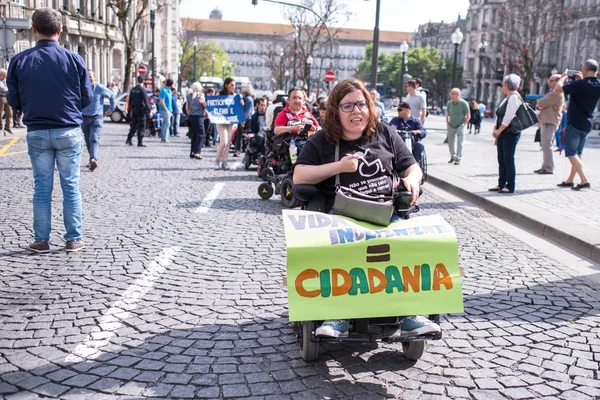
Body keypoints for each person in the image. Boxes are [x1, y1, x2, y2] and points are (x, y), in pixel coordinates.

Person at [293, 78, 439, 338]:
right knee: (343, 247)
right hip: (339, 215)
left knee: (410, 245)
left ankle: (408, 315)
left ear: (369, 107)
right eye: (347, 106)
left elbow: (412, 165)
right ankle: (337, 315)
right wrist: (338, 167)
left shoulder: (384, 132)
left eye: (361, 104)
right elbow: (300, 176)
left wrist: (412, 180)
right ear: (336, 110)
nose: (356, 111)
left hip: (385, 212)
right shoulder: (322, 140)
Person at [7, 7, 92, 253]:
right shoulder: (75, 59)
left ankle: (42, 240)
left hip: (37, 130)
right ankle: (73, 238)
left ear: (34, 30)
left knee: (42, 188)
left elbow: (14, 100)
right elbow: (86, 97)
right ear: (60, 29)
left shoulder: (19, 60)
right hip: (67, 129)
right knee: (71, 186)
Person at [554, 59, 600, 190]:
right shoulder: (597, 84)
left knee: (571, 153)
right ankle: (570, 180)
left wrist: (562, 77)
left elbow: (558, 89)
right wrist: (579, 80)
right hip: (587, 123)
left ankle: (584, 180)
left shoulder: (580, 84)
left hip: (575, 122)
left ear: (584, 69)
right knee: (578, 153)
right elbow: (584, 90)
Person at [489, 74, 523, 194]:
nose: (502, 86)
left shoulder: (514, 97)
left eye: (503, 84)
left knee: (508, 158)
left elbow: (509, 116)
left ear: (507, 85)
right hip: (503, 132)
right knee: (501, 158)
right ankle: (501, 183)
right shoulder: (507, 97)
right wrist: (495, 128)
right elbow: (499, 114)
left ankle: (510, 185)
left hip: (510, 133)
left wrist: (499, 130)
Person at [81, 69, 115, 171]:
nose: (90, 78)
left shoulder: (99, 88)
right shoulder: (81, 87)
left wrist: (111, 109)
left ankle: (93, 159)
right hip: (84, 117)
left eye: (91, 76)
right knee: (87, 140)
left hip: (97, 117)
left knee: (94, 138)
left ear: (94, 77)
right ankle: (91, 160)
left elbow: (112, 96)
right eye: (88, 76)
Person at [535, 74, 564, 174]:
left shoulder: (556, 93)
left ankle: (548, 167)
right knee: (544, 144)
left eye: (551, 80)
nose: (549, 82)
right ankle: (545, 165)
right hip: (547, 120)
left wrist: (540, 104)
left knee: (547, 145)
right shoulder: (553, 92)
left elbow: (541, 103)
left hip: (550, 121)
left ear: (557, 81)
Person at [214, 77, 237, 170]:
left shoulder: (235, 96)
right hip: (221, 121)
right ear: (226, 85)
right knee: (224, 142)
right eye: (231, 85)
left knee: (228, 143)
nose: (233, 87)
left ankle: (225, 161)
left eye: (234, 85)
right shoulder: (219, 94)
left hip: (231, 121)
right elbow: (214, 105)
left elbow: (236, 109)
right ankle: (217, 160)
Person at [445, 88, 470, 165]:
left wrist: (464, 124)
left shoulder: (464, 103)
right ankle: (453, 156)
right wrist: (447, 120)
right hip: (451, 125)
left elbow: (468, 115)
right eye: (451, 94)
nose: (451, 96)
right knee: (450, 141)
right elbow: (448, 113)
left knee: (460, 142)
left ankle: (458, 158)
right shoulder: (449, 103)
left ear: (458, 95)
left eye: (453, 94)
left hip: (460, 125)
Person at [126, 75, 151, 147]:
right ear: (143, 81)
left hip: (134, 109)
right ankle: (140, 141)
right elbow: (146, 100)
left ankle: (129, 138)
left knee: (134, 125)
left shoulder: (133, 89)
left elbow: (130, 100)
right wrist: (148, 110)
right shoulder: (142, 90)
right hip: (141, 110)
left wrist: (130, 109)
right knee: (142, 125)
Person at [186, 81, 206, 160]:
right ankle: (197, 152)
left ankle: (192, 152)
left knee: (194, 135)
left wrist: (189, 114)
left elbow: (187, 106)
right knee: (201, 134)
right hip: (198, 117)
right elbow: (205, 105)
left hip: (191, 116)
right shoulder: (200, 97)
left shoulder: (189, 96)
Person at [158, 78, 173, 143]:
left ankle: (165, 137)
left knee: (167, 124)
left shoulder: (169, 90)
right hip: (164, 110)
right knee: (166, 123)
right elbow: (162, 101)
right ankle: (164, 138)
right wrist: (166, 109)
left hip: (169, 109)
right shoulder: (164, 90)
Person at [0, 69, 13, 134]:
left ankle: (7, 127)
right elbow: (3, 89)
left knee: (9, 113)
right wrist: (8, 89)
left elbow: (10, 87)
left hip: (7, 97)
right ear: (1, 75)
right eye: (5, 74)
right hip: (1, 97)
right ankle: (0, 128)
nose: (6, 75)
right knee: (0, 114)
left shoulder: (6, 81)